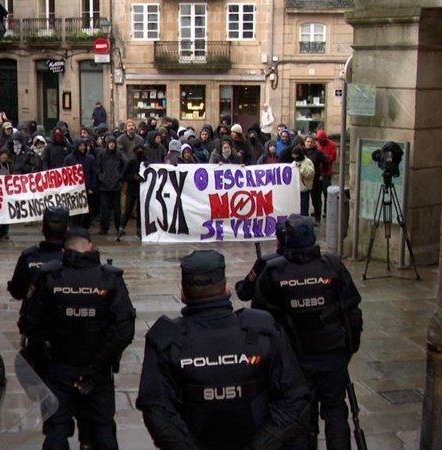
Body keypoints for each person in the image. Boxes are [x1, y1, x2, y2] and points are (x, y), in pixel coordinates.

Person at [137, 250, 312, 450]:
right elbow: (294, 398)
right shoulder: (262, 330)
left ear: (183, 293)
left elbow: (158, 413)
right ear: (227, 288)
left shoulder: (166, 340)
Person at [235, 214, 363, 450]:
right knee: (335, 411)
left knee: (303, 417)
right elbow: (353, 311)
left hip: (296, 359)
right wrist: (347, 348)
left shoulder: (274, 273)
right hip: (331, 354)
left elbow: (261, 320)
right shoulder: (332, 266)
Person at [21, 228, 136, 450]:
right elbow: (124, 330)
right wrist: (98, 366)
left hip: (59, 368)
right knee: (102, 429)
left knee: (56, 429)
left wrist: (44, 361)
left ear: (64, 251)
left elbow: (30, 324)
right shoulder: (110, 279)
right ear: (91, 247)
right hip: (97, 372)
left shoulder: (50, 278)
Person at [9, 206, 69, 303]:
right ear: (67, 230)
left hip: (34, 315)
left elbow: (16, 292)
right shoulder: (75, 259)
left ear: (42, 229)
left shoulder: (28, 257)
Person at [95, 135, 126, 235]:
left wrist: (120, 176)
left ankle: (118, 228)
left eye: (113, 143)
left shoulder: (119, 154)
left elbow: (125, 165)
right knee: (104, 209)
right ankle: (104, 228)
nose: (112, 145)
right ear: (107, 144)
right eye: (110, 143)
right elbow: (98, 168)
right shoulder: (101, 154)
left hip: (116, 186)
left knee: (117, 210)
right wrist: (101, 178)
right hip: (104, 186)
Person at [64, 139, 98, 228]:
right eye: (80, 146)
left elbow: (93, 173)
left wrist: (92, 187)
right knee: (75, 211)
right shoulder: (69, 158)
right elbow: (65, 173)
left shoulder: (90, 158)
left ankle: (84, 228)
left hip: (86, 188)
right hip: (74, 190)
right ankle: (74, 227)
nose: (83, 148)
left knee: (86, 212)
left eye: (84, 145)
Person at [121, 144, 147, 238]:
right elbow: (125, 175)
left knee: (140, 210)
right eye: (138, 150)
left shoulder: (146, 162)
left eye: (142, 149)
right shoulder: (131, 161)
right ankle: (122, 226)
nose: (140, 151)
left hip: (142, 189)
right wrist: (134, 177)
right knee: (128, 208)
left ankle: (139, 229)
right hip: (132, 189)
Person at [304, 136, 329, 224]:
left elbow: (326, 162)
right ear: (304, 142)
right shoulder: (303, 152)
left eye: (311, 142)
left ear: (314, 143)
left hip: (315, 179)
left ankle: (317, 218)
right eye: (307, 141)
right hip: (304, 180)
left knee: (316, 199)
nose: (309, 143)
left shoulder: (318, 153)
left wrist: (323, 174)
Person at [315, 130, 338, 218]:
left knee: (326, 192)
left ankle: (326, 210)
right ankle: (318, 210)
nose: (319, 141)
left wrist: (322, 157)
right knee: (317, 193)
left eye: (320, 139)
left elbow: (332, 158)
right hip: (317, 172)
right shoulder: (317, 144)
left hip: (326, 172)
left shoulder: (332, 145)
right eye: (318, 139)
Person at [292, 146, 315, 217]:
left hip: (304, 189)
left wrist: (301, 168)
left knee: (304, 209)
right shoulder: (294, 162)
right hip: (296, 189)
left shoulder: (308, 162)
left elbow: (310, 174)